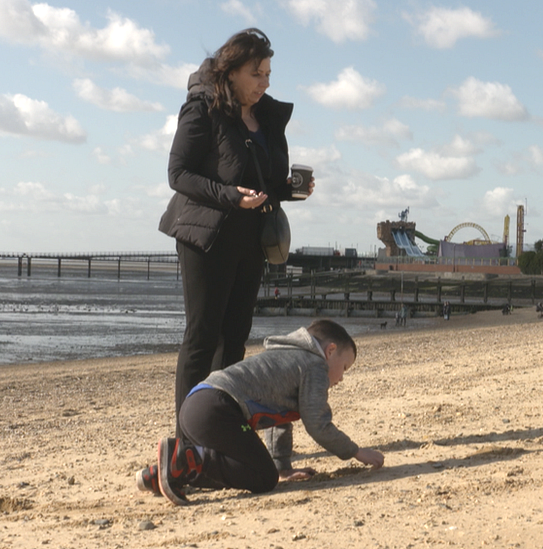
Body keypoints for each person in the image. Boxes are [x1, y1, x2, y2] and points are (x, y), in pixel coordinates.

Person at [157, 28, 315, 435]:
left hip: (251, 238)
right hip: (205, 236)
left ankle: (219, 424)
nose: (265, 83)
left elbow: (260, 180)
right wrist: (228, 196)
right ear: (230, 72)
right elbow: (178, 173)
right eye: (256, 74)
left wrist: (289, 190)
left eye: (267, 73)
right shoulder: (203, 108)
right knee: (202, 337)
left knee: (235, 337)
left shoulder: (264, 116)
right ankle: (188, 437)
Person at [136, 319, 384, 505]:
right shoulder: (314, 365)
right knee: (263, 477)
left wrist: (283, 466)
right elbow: (316, 421)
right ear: (330, 351)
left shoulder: (287, 357)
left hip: (198, 404)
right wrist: (356, 451)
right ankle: (182, 458)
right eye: (344, 367)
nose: (341, 378)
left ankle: (165, 474)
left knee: (247, 467)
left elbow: (280, 416)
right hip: (218, 407)